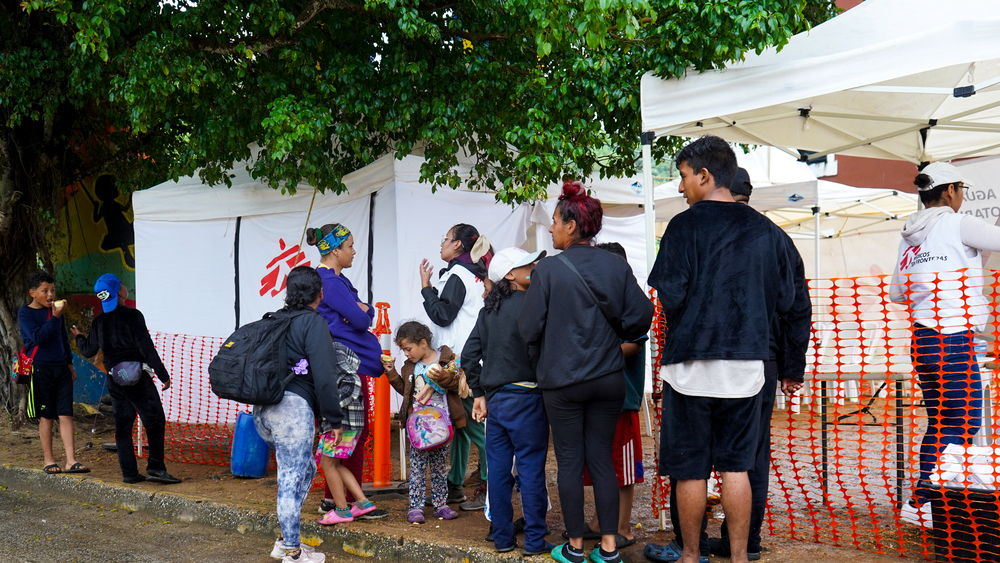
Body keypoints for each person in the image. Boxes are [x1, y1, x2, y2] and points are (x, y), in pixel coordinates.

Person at [647, 137, 807, 563]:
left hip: (690, 364)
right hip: (748, 363)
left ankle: (689, 555)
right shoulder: (768, 232)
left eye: (682, 177)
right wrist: (792, 363)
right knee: (738, 467)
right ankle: (739, 557)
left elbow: (671, 295)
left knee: (690, 469)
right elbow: (790, 301)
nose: (680, 188)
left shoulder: (682, 227)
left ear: (705, 174)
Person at [519, 181, 654, 563]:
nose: (550, 228)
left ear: (572, 226)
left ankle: (576, 546)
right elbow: (641, 315)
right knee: (602, 459)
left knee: (569, 461)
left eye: (555, 222)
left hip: (562, 381)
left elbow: (529, 329)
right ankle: (609, 547)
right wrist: (613, 339)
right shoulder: (615, 264)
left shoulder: (548, 270)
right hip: (608, 378)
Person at [888, 162, 1000, 528]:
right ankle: (927, 499)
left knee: (941, 421)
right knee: (964, 421)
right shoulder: (957, 222)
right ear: (950, 191)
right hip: (952, 337)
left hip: (923, 338)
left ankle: (921, 501)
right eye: (961, 190)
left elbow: (898, 293)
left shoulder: (911, 233)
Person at [462, 247, 551, 556]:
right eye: (529, 264)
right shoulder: (534, 306)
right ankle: (535, 541)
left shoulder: (488, 311)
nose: (535, 267)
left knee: (499, 472)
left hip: (497, 401)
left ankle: (502, 538)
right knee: (530, 470)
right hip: (528, 398)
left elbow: (469, 356)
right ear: (511, 275)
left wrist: (479, 393)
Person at [254, 265, 341, 563]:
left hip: (263, 410)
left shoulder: (275, 320)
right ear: (320, 293)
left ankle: (285, 540)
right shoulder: (312, 323)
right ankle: (292, 552)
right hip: (291, 412)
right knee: (291, 478)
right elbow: (326, 376)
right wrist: (334, 419)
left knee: (304, 470)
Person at [306, 223, 387, 520]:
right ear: (335, 250)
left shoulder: (336, 280)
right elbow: (361, 317)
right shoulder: (329, 281)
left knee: (347, 433)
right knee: (350, 433)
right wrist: (363, 310)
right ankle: (347, 500)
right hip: (346, 367)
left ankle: (337, 498)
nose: (354, 251)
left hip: (350, 363)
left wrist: (360, 311)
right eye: (350, 246)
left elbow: (356, 314)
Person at [71, 273, 179, 484]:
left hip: (115, 381)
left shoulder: (99, 321)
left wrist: (78, 336)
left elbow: (87, 350)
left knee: (123, 427)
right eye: (121, 285)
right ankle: (156, 467)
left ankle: (129, 473)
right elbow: (146, 348)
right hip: (137, 379)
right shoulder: (133, 316)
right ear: (120, 291)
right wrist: (163, 374)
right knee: (155, 420)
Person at [577, 242, 648, 551]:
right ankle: (599, 522)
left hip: (623, 400)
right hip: (599, 399)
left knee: (623, 469)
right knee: (602, 465)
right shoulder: (603, 301)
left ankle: (623, 527)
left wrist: (591, 353)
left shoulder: (630, 303)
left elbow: (633, 342)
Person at [421, 223, 492, 508]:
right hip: (466, 360)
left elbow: (442, 315)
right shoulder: (472, 275)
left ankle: (490, 487)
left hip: (463, 363)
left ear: (458, 246)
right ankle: (455, 485)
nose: (442, 244)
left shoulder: (459, 275)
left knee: (474, 428)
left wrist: (426, 287)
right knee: (461, 427)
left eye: (446, 239)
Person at [383, 321, 462, 523]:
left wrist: (443, 377)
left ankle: (440, 504)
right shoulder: (410, 367)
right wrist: (391, 372)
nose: (406, 354)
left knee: (439, 466)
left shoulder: (446, 360)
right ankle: (415, 506)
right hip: (418, 426)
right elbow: (405, 391)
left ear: (423, 343)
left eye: (408, 349)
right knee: (417, 466)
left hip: (441, 424)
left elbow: (455, 384)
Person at [17, 271, 90, 475]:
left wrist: (69, 364)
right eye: (45, 291)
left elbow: (62, 340)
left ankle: (71, 460)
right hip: (41, 368)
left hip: (61, 368)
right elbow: (39, 338)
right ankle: (48, 459)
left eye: (52, 290)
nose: (50, 295)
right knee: (47, 416)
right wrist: (55, 316)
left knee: (66, 413)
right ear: (32, 293)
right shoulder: (26, 313)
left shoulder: (56, 312)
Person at [316, 342, 380, 525]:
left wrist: (331, 408)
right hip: (348, 420)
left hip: (341, 421)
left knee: (327, 464)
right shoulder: (338, 350)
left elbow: (351, 382)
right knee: (335, 463)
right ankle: (362, 502)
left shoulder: (330, 351)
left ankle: (342, 510)